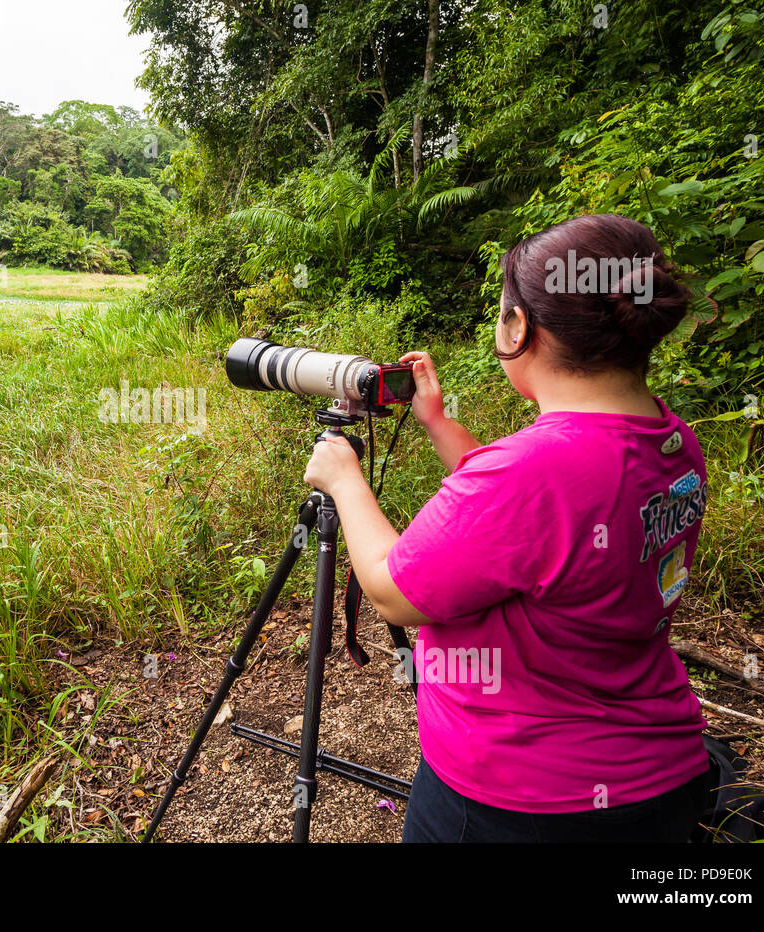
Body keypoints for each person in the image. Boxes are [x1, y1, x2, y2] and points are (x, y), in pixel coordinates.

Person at [303, 213, 713, 842]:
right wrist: (438, 422)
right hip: (661, 774)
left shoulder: (529, 474)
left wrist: (345, 481)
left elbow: (389, 590)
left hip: (522, 801)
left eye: (502, 314)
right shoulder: (672, 440)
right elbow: (533, 526)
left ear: (520, 328)